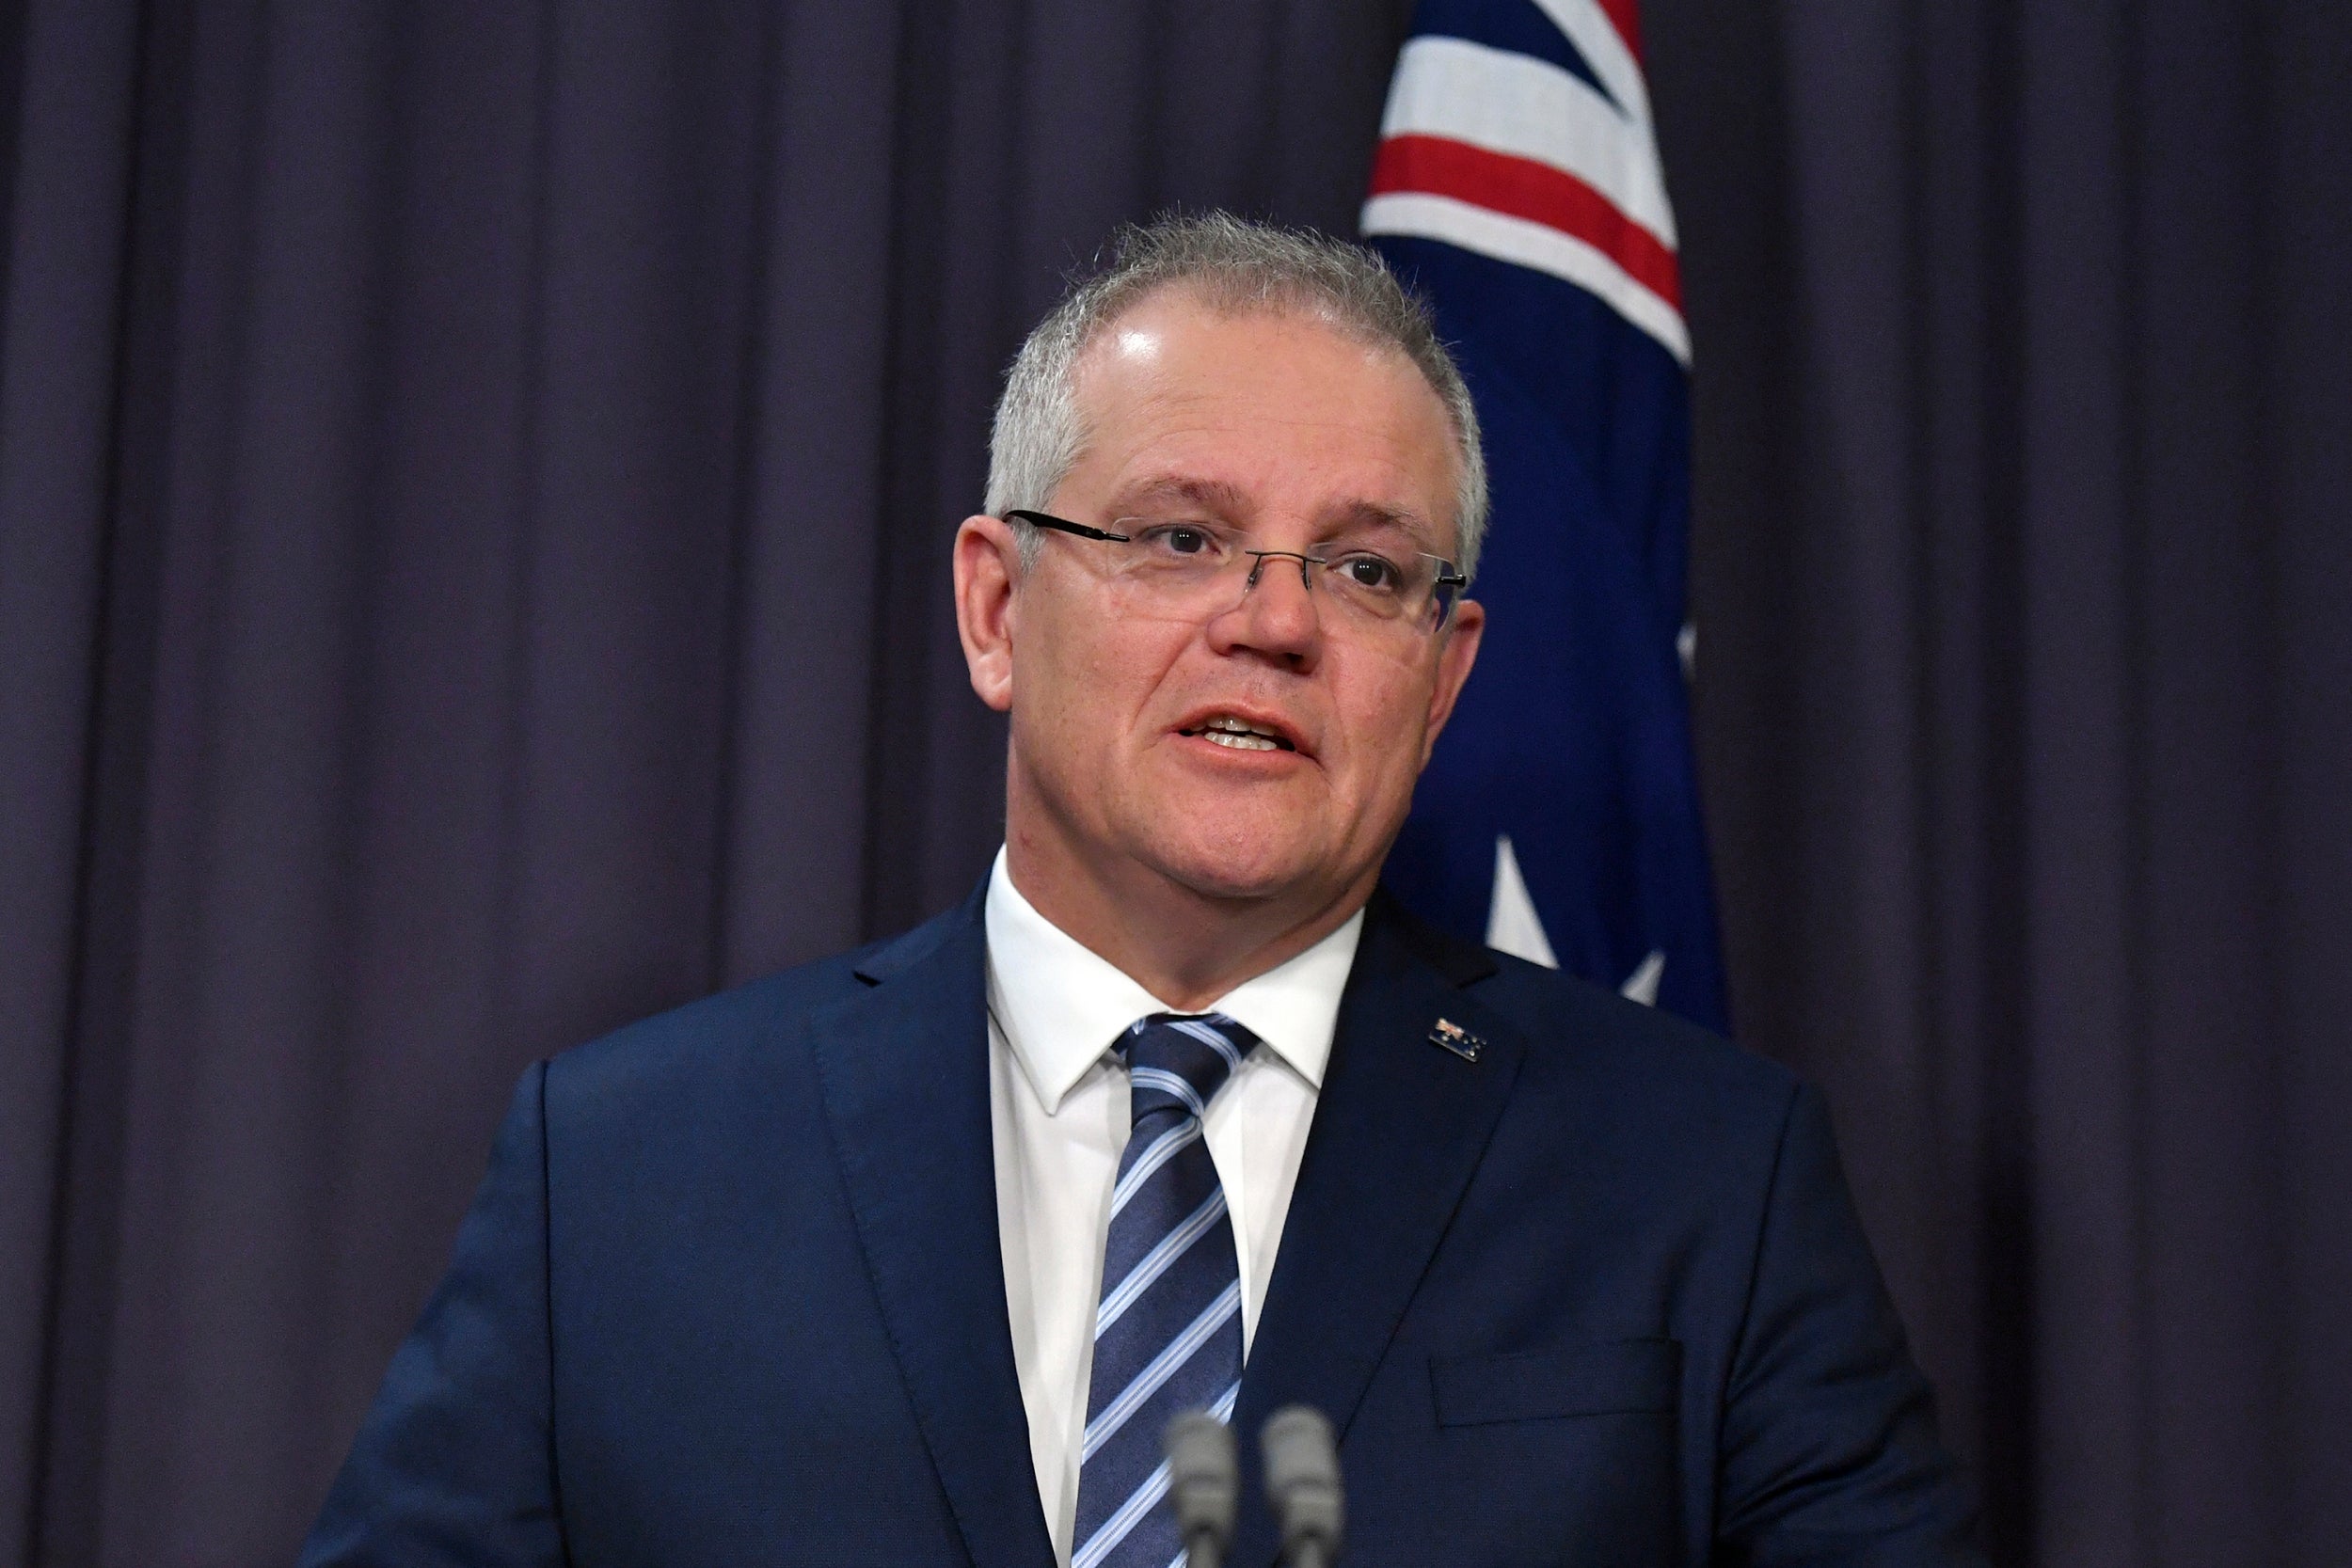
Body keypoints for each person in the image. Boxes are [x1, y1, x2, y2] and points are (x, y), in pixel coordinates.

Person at [301, 214, 1981, 1567]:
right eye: (1181, 537)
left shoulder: (1705, 1176)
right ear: (994, 608)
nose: (1271, 619)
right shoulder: (618, 1176)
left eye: (1366, 567)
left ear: (1445, 673)